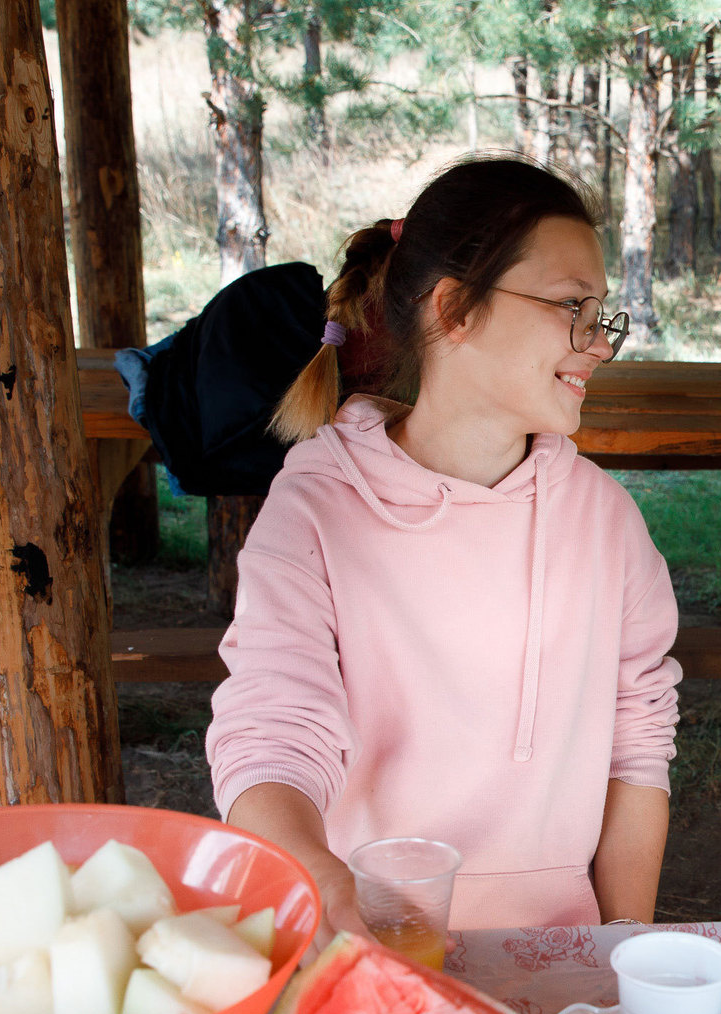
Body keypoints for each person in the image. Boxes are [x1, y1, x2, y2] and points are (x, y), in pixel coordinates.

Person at [206, 157, 681, 934]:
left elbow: (637, 750)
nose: (600, 344)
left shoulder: (608, 523)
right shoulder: (317, 509)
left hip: (558, 954)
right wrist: (318, 880)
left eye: (603, 315)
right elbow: (271, 735)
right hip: (370, 938)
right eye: (572, 306)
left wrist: (619, 953)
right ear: (455, 308)